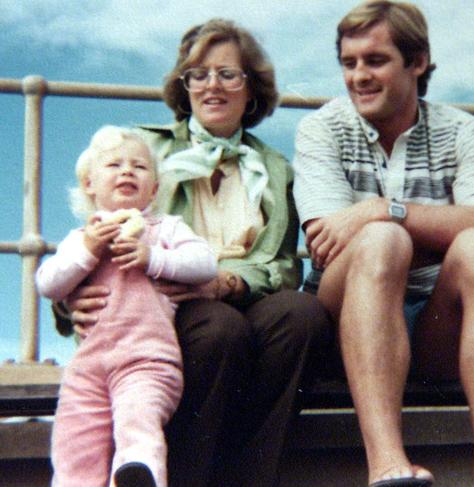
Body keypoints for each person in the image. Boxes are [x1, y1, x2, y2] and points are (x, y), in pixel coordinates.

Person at [293, 2, 474, 487]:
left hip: (434, 328)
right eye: (349, 62)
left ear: (417, 62)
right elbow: (327, 245)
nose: (358, 76)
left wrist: (385, 209)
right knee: (382, 243)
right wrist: (430, 232)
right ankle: (385, 466)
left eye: (374, 60)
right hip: (346, 324)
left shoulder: (461, 130)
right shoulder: (323, 128)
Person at [55, 18, 332, 487]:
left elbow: (283, 264)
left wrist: (232, 281)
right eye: (198, 75)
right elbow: (91, 231)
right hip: (163, 306)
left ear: (251, 89)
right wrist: (67, 302)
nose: (212, 86)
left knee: (302, 315)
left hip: (242, 296)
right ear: (184, 88)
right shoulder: (147, 148)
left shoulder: (275, 168)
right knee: (218, 328)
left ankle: (248, 478)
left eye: (228, 74)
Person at [38, 126, 218, 487]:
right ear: (89, 184)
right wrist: (89, 250)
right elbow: (48, 283)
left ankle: (138, 474)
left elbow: (205, 263)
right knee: (75, 441)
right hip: (88, 367)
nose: (126, 171)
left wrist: (152, 258)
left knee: (138, 420)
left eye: (139, 166)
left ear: (153, 188)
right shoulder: (81, 238)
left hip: (147, 359)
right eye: (114, 165)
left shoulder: (163, 228)